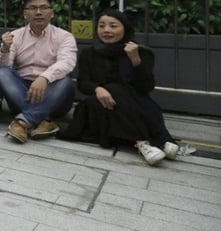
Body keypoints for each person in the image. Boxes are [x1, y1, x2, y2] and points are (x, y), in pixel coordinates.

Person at [60, 9, 180, 166]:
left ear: (125, 28)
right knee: (113, 90)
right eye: (102, 26)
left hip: (131, 104)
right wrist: (98, 89)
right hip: (98, 106)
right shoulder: (89, 53)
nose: (106, 30)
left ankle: (147, 141)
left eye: (113, 26)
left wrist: (136, 60)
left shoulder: (140, 52)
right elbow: (83, 83)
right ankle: (153, 140)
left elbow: (146, 87)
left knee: (120, 91)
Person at [0, 0, 77, 144]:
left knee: (65, 81)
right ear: (25, 14)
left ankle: (23, 121)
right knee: (3, 73)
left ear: (51, 12)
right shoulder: (15, 36)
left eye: (43, 7)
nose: (38, 12)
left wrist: (44, 78)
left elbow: (67, 62)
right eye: (32, 8)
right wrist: (4, 49)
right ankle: (43, 120)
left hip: (52, 93)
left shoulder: (64, 36)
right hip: (23, 92)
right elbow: (2, 67)